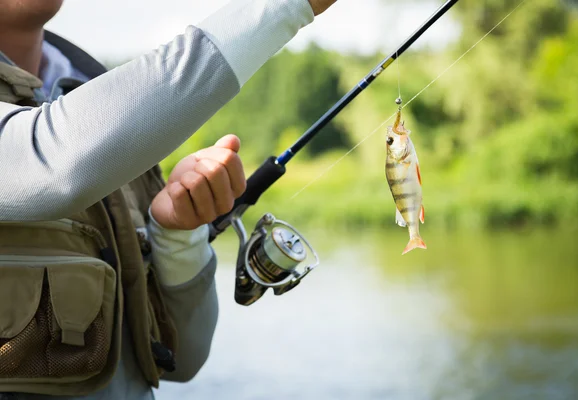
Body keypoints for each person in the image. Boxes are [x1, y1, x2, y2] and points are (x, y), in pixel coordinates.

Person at [0, 0, 337, 399]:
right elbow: (51, 159)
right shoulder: (89, 127)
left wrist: (177, 236)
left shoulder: (93, 94)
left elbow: (181, 359)